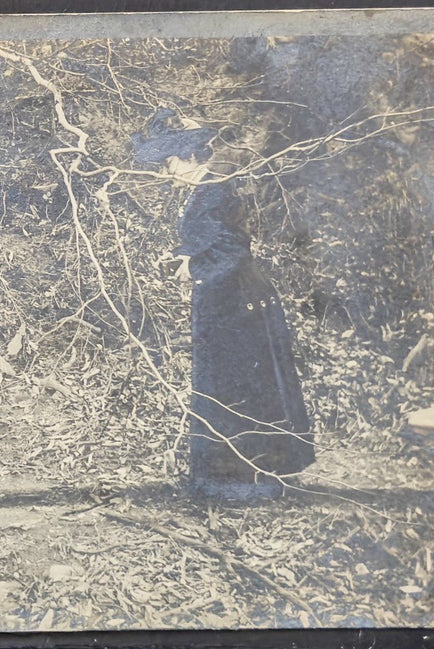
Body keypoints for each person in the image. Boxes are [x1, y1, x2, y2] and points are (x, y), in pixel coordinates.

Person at [136, 110, 314, 498]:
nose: (166, 174)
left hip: (240, 302)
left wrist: (195, 266)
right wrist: (184, 259)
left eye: (169, 164)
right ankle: (226, 476)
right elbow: (213, 240)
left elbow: (235, 245)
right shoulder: (204, 191)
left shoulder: (217, 190)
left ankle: (252, 479)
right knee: (222, 383)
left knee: (242, 385)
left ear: (190, 157)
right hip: (222, 298)